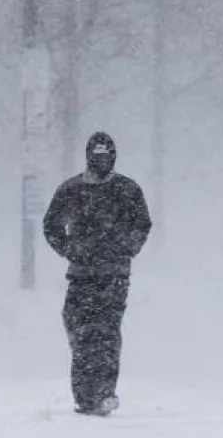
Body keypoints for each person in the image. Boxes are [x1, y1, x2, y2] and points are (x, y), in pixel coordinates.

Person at [43, 132, 152, 416]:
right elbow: (51, 224)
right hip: (80, 275)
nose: (101, 161)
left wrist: (125, 249)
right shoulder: (71, 190)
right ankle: (83, 395)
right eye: (96, 155)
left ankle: (104, 392)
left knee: (105, 332)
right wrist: (69, 250)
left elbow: (142, 225)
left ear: (113, 157)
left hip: (114, 275)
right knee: (78, 331)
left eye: (106, 155)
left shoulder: (128, 190)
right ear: (88, 156)